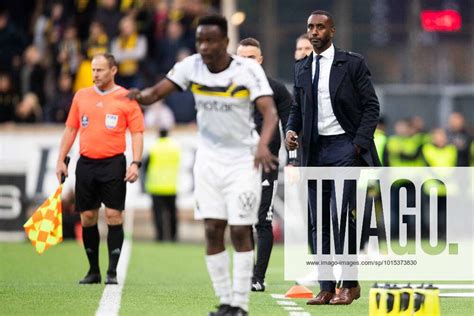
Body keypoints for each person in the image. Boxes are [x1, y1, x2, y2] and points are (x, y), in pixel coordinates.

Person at [127, 14, 278, 316]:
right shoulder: (190, 66)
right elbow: (156, 93)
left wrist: (262, 145)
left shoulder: (247, 70)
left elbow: (270, 112)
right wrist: (135, 96)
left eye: (210, 40)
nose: (204, 46)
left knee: (239, 230)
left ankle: (241, 304)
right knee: (212, 229)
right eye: (200, 40)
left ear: (225, 42)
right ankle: (225, 302)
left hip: (242, 161)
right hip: (208, 161)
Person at [285, 10, 381, 305]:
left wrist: (357, 145)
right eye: (310, 27)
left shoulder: (352, 63)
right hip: (314, 150)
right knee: (319, 222)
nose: (314, 32)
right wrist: (291, 130)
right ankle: (326, 287)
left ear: (332, 31)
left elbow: (371, 107)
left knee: (340, 216)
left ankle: (349, 284)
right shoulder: (302, 68)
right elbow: (297, 110)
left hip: (344, 148)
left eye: (319, 27)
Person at [55, 53, 144, 285]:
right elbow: (71, 129)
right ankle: (93, 270)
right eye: (93, 70)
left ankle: (112, 272)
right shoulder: (81, 96)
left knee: (114, 216)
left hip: (113, 163)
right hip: (86, 163)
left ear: (113, 70)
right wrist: (61, 159)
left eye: (100, 70)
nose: (95, 74)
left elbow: (136, 132)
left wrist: (135, 162)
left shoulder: (126, 98)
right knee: (87, 216)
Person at [236, 37, 292, 292]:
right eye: (241, 57)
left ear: (260, 60)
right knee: (240, 219)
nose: (245, 62)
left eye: (250, 57)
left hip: (266, 163)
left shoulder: (275, 89)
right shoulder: (228, 87)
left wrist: (292, 160)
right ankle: (245, 273)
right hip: (236, 163)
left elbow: (292, 125)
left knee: (262, 219)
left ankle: (258, 277)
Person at [145, 128, 181, 242]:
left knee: (158, 214)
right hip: (171, 185)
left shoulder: (154, 147)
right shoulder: (174, 147)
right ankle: (174, 237)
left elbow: (145, 165)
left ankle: (160, 237)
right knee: (173, 214)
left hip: (156, 186)